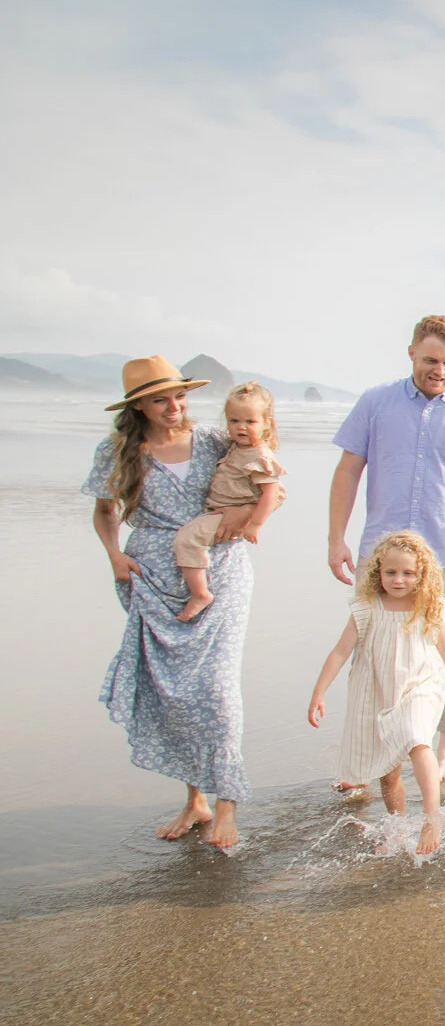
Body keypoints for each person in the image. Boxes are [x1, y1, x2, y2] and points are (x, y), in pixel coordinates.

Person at [329, 314, 445, 785]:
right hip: (380, 554)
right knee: (369, 648)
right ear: (411, 352)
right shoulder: (376, 402)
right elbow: (348, 470)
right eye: (431, 360)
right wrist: (336, 538)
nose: (440, 370)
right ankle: (367, 755)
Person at [84, 357, 256, 849]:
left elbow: (264, 482)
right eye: (161, 400)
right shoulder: (118, 452)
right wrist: (114, 555)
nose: (174, 406)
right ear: (139, 406)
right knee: (175, 694)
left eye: (179, 396)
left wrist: (244, 520)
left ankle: (227, 803)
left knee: (218, 690)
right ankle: (195, 798)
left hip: (220, 573)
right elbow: (104, 511)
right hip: (154, 580)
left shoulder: (216, 442)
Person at [306, 531, 445, 856]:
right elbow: (340, 651)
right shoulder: (366, 608)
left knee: (417, 738)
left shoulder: (429, 607)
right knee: (388, 772)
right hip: (378, 690)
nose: (399, 580)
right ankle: (397, 829)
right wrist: (319, 692)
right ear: (378, 572)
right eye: (391, 572)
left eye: (408, 573)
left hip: (420, 684)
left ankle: (432, 818)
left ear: (421, 574)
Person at [173, 382, 286, 621]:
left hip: (228, 514)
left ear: (267, 424)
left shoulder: (260, 455)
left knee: (187, 539)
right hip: (217, 510)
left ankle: (200, 594)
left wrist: (254, 523)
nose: (241, 427)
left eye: (250, 422)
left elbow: (272, 492)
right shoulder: (235, 447)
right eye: (234, 421)